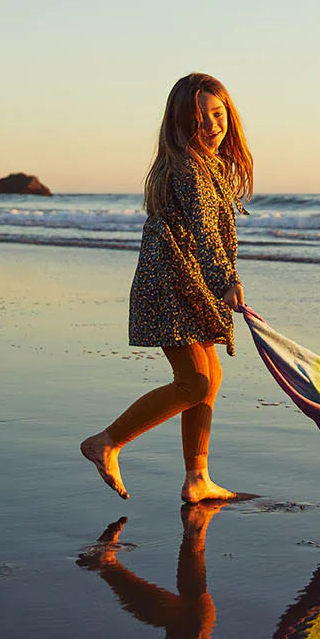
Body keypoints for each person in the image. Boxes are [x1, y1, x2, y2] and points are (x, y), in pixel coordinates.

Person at [81, 73, 252, 503]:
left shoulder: (207, 165)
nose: (212, 125)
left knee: (208, 379)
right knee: (194, 382)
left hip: (187, 283)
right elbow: (204, 232)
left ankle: (198, 478)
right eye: (200, 118)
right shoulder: (189, 168)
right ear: (179, 122)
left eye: (218, 114)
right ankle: (107, 441)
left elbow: (209, 232)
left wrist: (217, 280)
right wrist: (226, 280)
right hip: (170, 284)